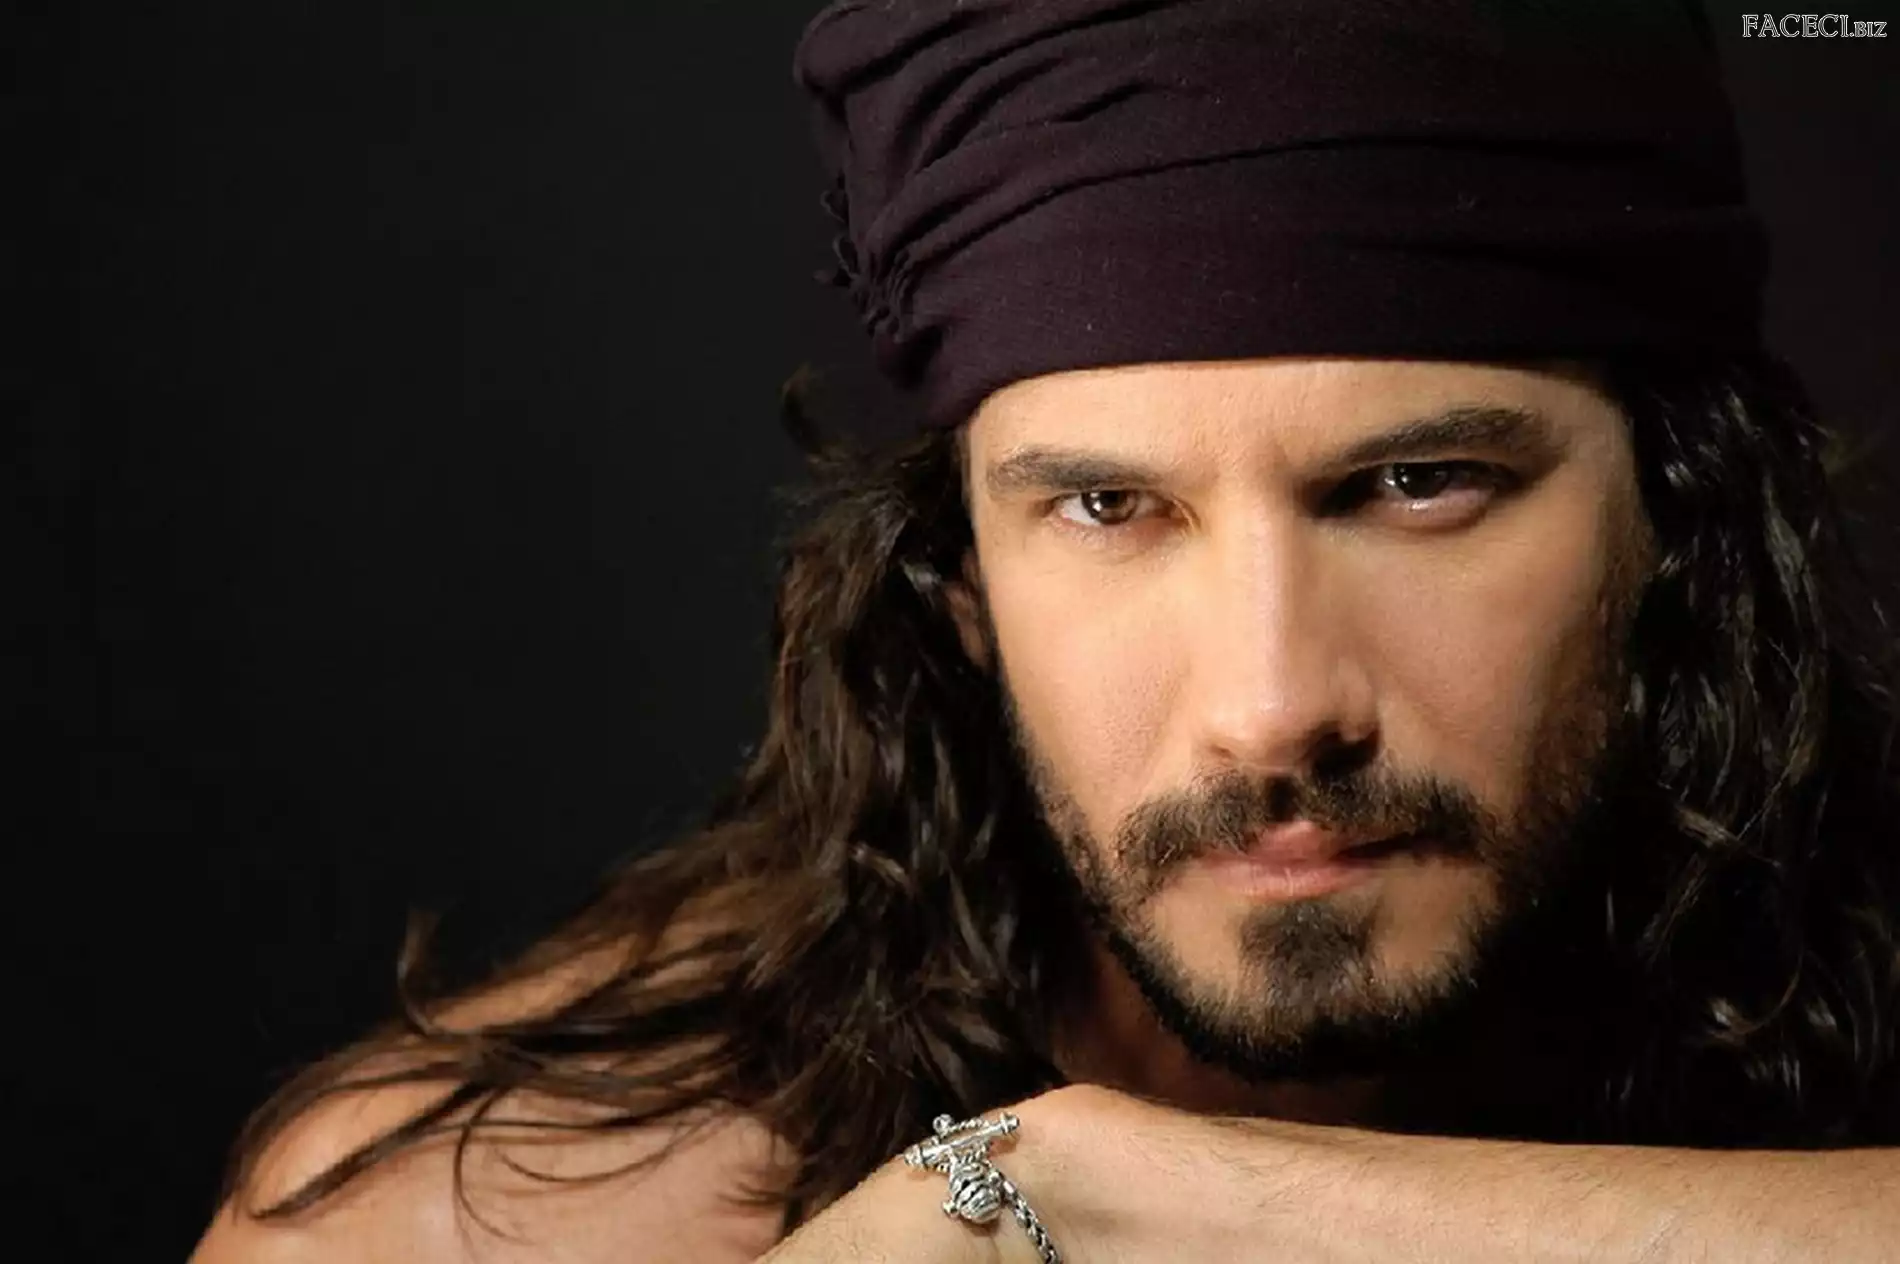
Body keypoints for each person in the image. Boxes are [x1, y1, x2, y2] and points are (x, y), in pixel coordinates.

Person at [193, 2, 1900, 1260]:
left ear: (1679, 513)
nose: (1270, 707)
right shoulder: (499, 1222)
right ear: (956, 583)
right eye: (1106, 507)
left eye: (1418, 484)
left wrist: (1138, 1203)